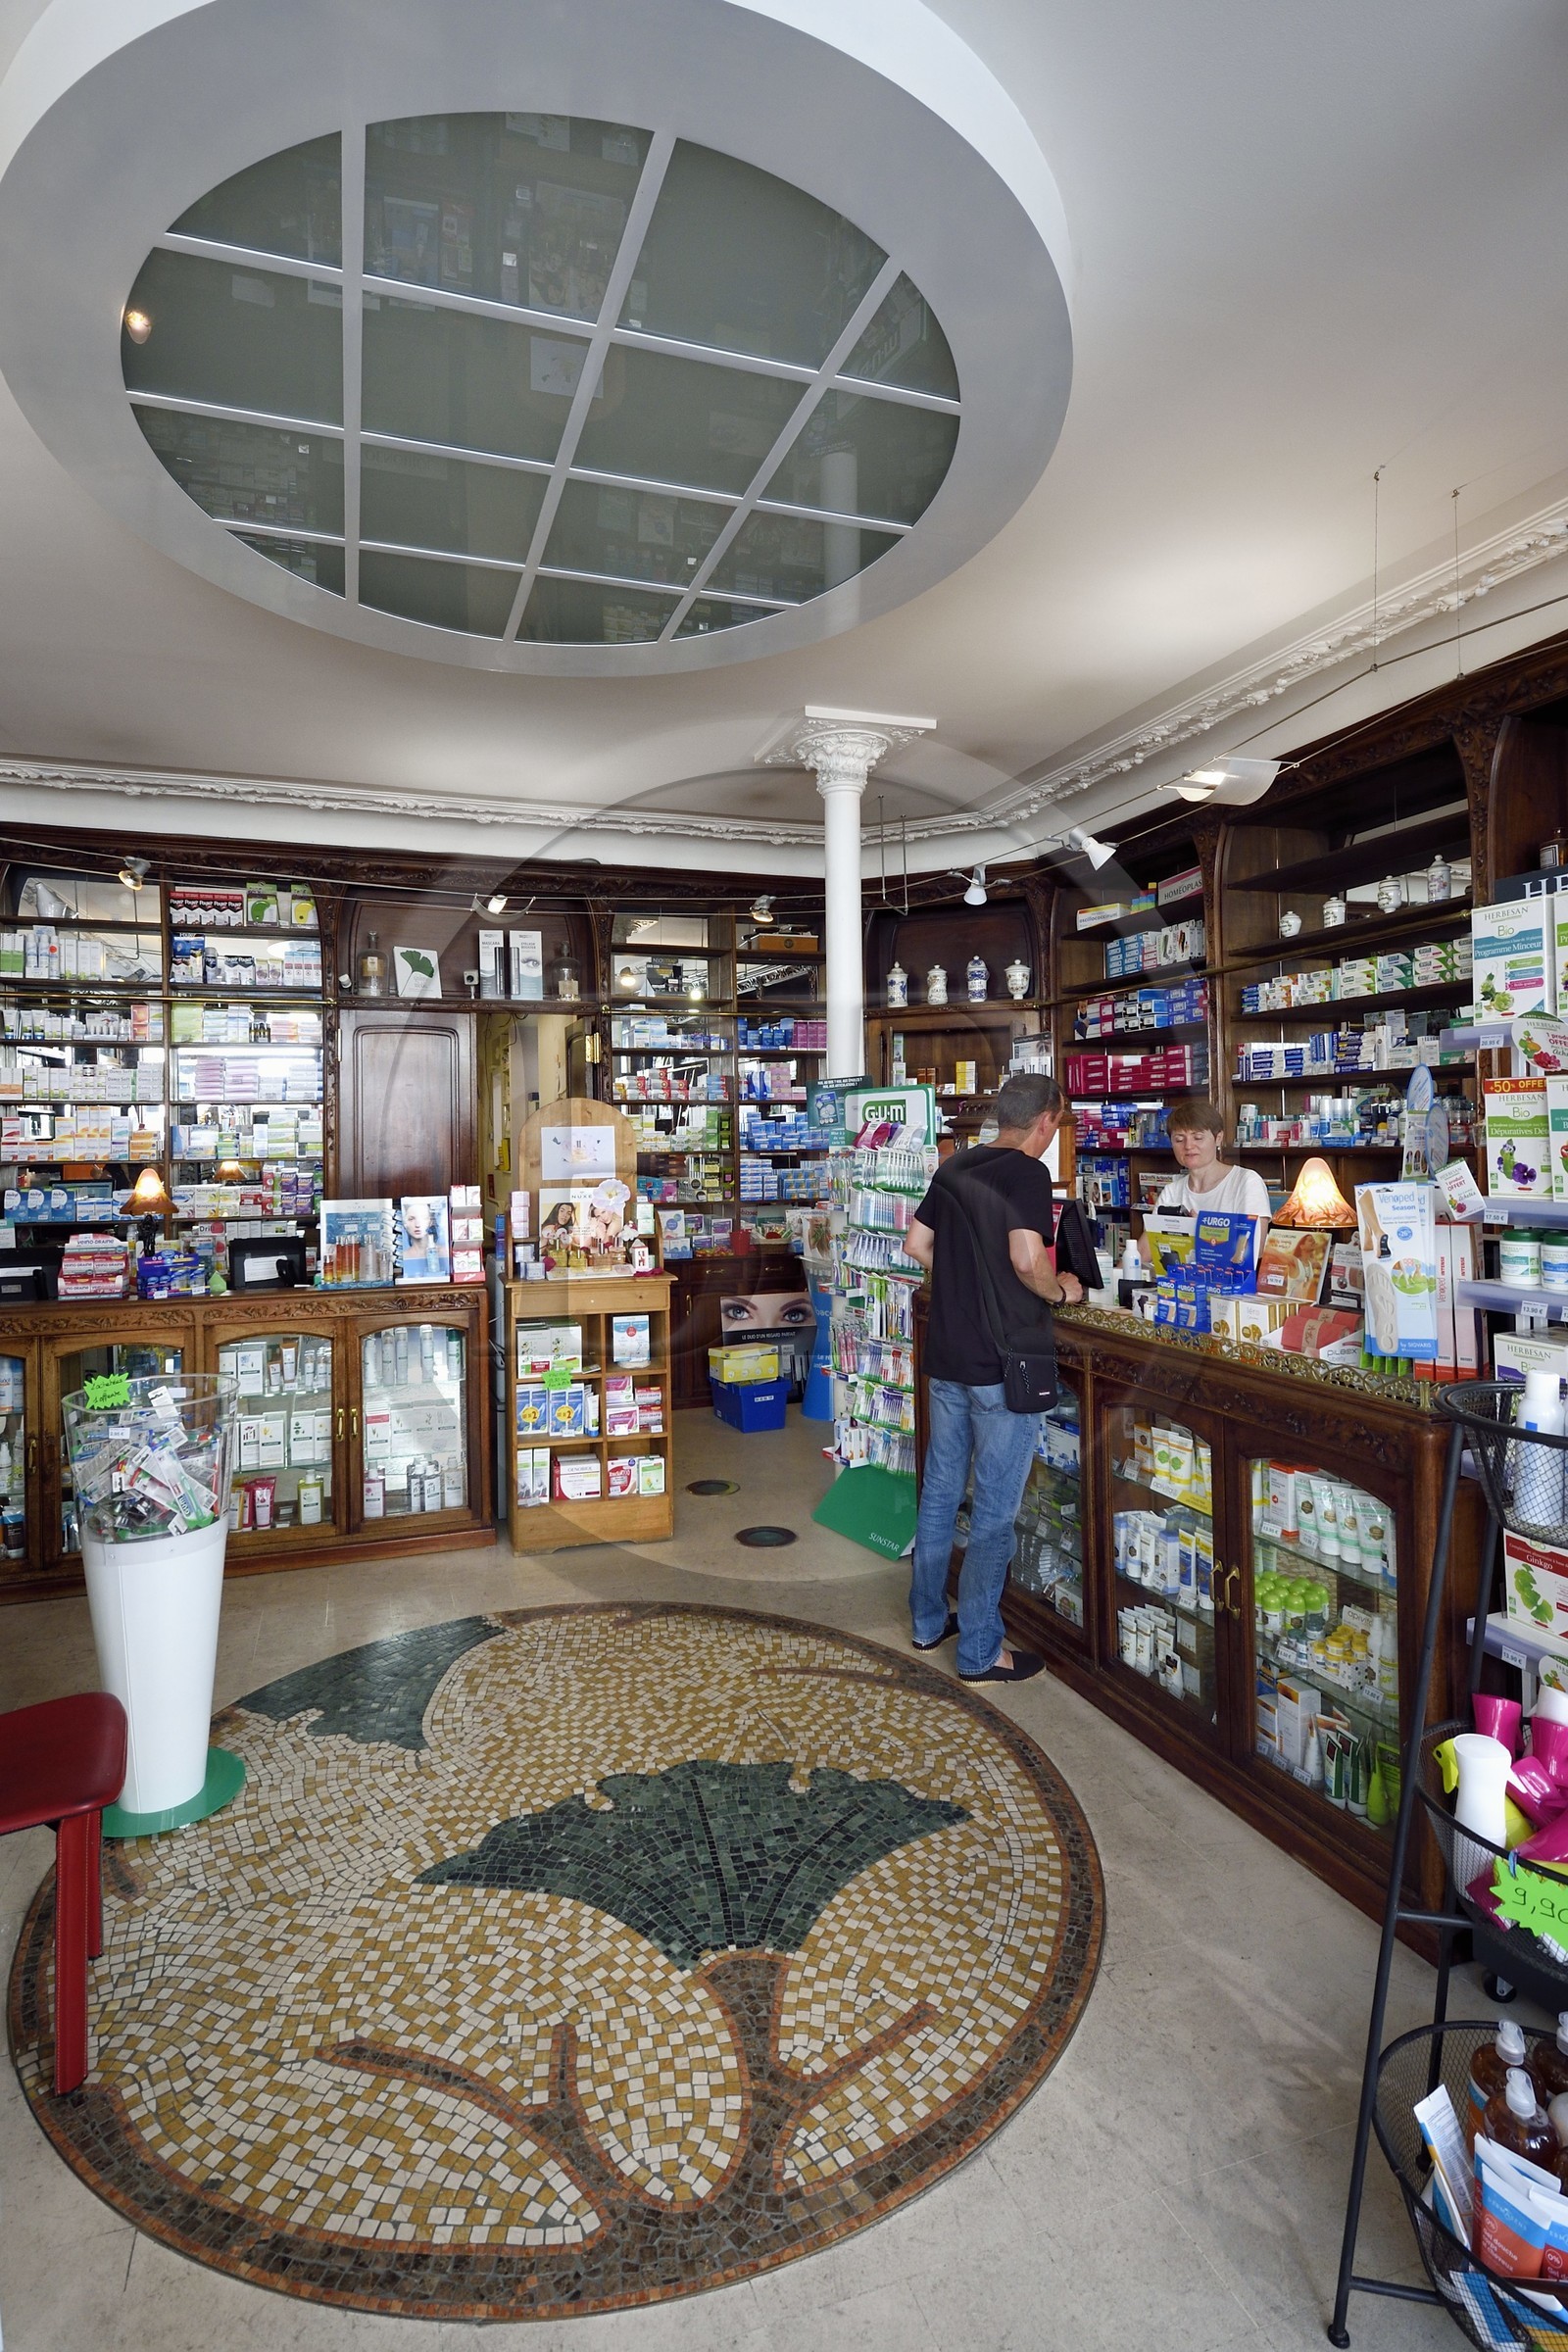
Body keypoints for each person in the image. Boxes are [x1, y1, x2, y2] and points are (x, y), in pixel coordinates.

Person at [903, 1072, 1081, 1684]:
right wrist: (1060, 1291)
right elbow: (1028, 1258)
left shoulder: (955, 1167)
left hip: (947, 1356)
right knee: (995, 1512)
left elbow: (916, 1245)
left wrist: (963, 1287)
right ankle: (981, 1651)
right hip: (1003, 1367)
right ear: (1046, 1122)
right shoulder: (1027, 1173)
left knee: (941, 1492)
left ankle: (928, 1621)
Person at [1144, 1100, 1271, 1257]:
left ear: (1218, 1138)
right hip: (1180, 1280)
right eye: (1179, 1139)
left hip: (1230, 1280)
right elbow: (1144, 1251)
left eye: (1197, 1137)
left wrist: (1203, 1229)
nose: (1188, 1146)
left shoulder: (1246, 1182)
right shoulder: (1172, 1191)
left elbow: (1253, 1251)